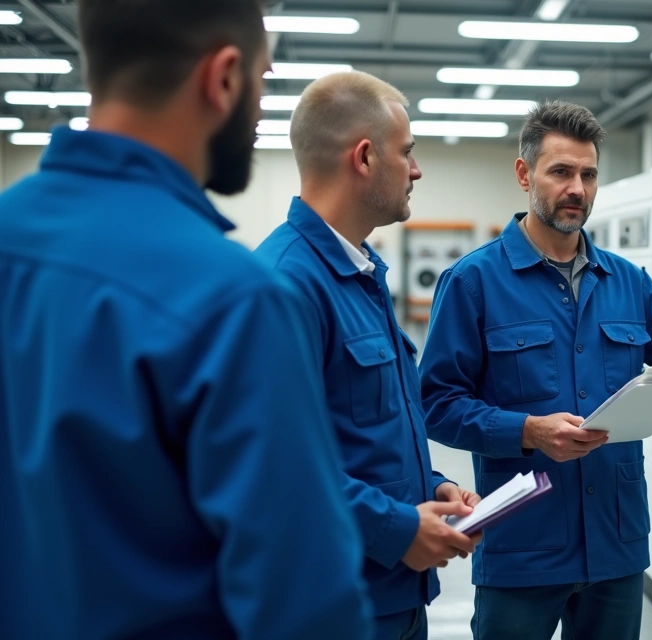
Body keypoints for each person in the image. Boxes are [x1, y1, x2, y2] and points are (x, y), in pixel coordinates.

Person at [0, 1, 375, 639]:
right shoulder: (233, 301)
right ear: (223, 77)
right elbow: (305, 606)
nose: (259, 111)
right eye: (261, 81)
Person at [419, 100, 652, 640]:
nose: (577, 187)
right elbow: (436, 404)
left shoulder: (626, 281)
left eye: (588, 174)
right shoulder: (474, 282)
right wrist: (528, 431)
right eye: (561, 172)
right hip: (524, 546)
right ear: (525, 174)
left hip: (615, 545)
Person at [254, 71, 482, 640]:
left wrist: (431, 488)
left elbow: (364, 433)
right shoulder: (287, 285)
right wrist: (398, 528)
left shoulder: (361, 274)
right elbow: (276, 468)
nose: (416, 169)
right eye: (406, 153)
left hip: (395, 596)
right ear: (363, 157)